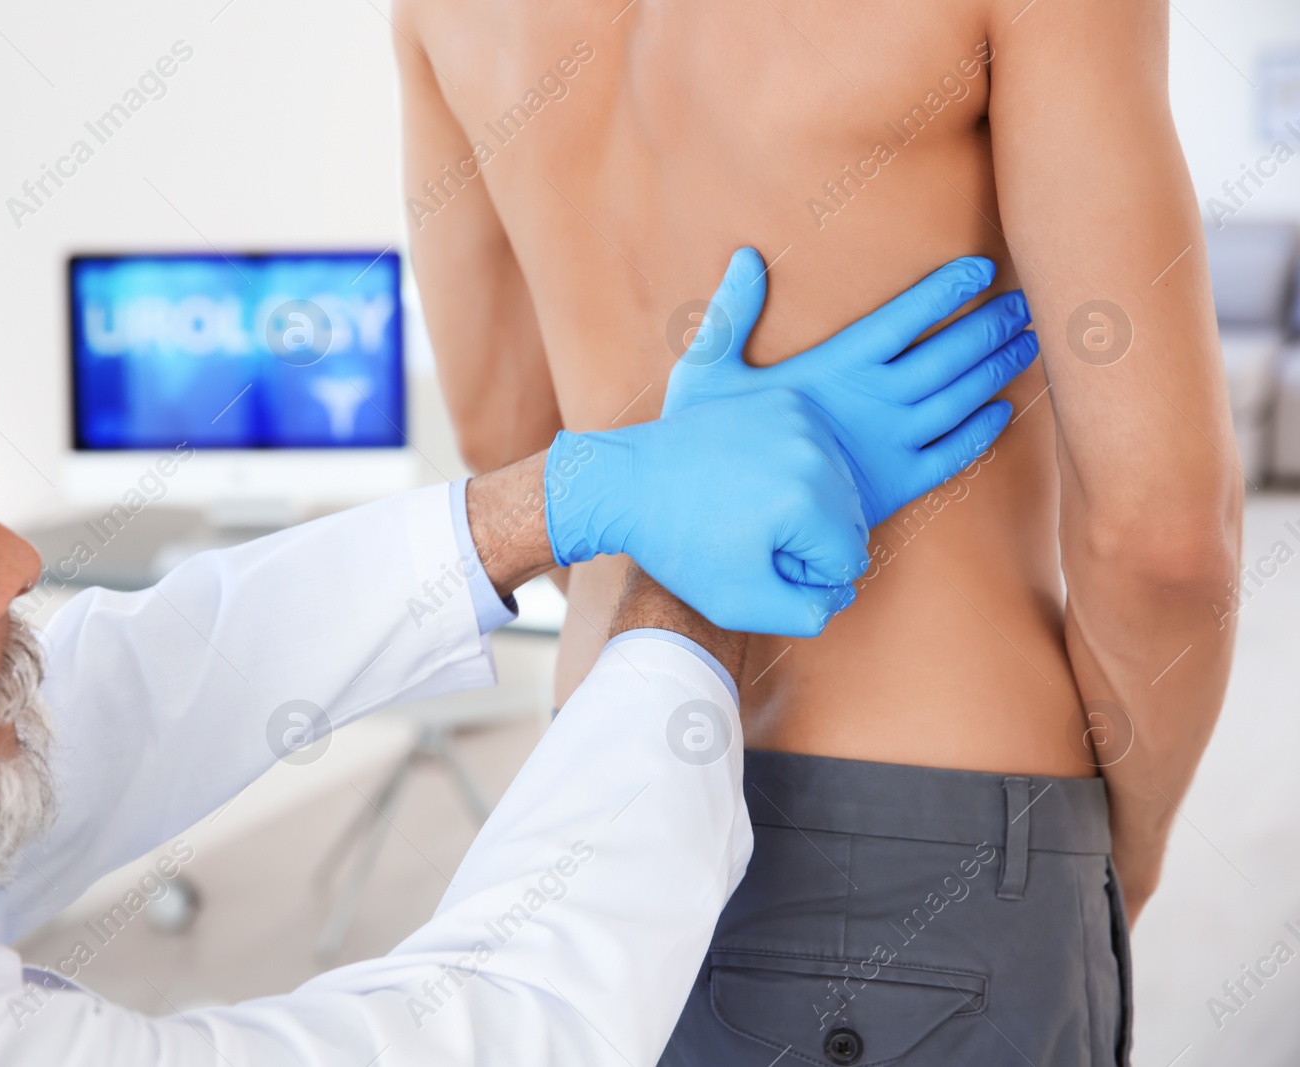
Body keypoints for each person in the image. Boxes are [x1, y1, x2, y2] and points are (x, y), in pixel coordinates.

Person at [0, 222, 1025, 1064]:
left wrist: (575, 495)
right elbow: (502, 1026)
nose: (16, 561)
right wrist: (681, 594)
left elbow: (156, 680)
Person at [393, 3, 1242, 1063]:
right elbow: (1164, 542)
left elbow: (508, 442)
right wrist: (1129, 844)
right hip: (941, 829)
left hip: (597, 782)